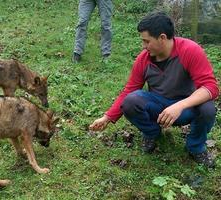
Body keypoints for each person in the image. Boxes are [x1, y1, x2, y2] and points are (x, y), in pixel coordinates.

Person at [89, 12, 219, 168]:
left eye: (146, 41)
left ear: (162, 38)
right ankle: (152, 133)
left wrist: (180, 105)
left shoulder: (190, 50)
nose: (143, 46)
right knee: (130, 101)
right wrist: (107, 117)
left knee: (208, 109)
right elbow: (129, 90)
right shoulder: (143, 59)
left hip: (186, 109)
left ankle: (195, 147)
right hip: (158, 109)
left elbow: (210, 87)